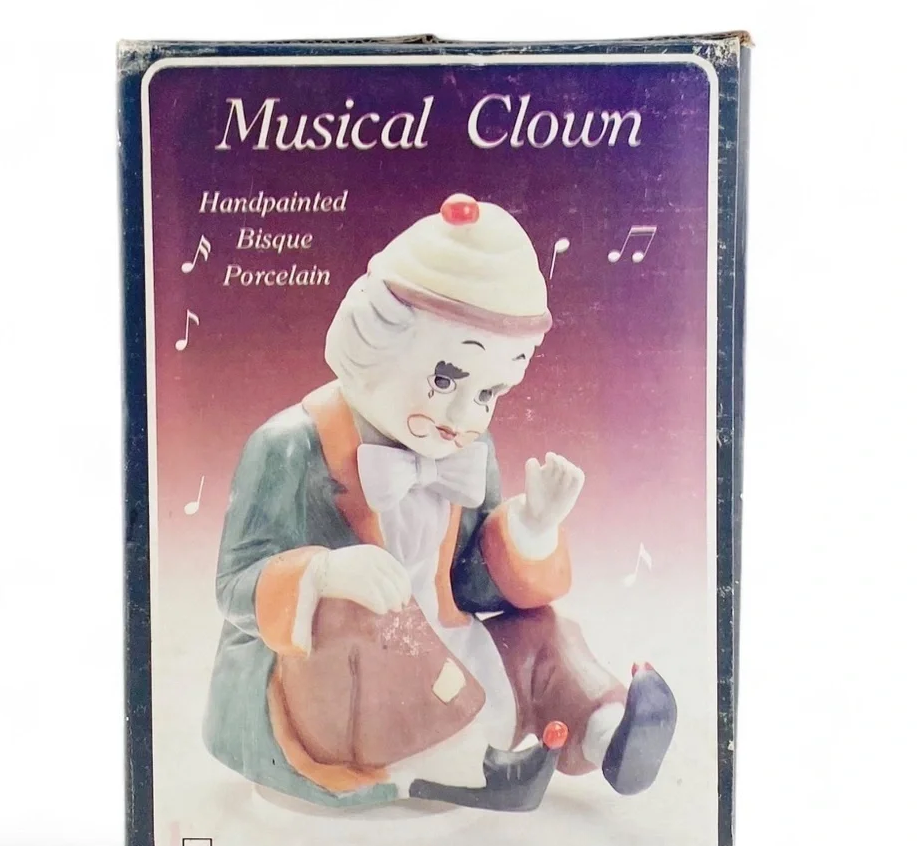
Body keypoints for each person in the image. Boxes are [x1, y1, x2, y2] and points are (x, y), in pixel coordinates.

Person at [203, 194, 677, 811]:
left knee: (542, 628)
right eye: (445, 378)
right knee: (360, 612)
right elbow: (233, 586)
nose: (463, 414)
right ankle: (466, 767)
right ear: (371, 345)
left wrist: (531, 529)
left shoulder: (469, 452)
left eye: (489, 392)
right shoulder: (288, 447)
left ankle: (604, 729)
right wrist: (322, 575)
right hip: (338, 690)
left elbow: (472, 587)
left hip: (449, 650)